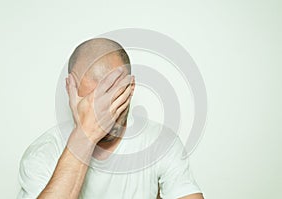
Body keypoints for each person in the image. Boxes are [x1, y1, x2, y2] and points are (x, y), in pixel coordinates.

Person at [17, 38, 204, 199]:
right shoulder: (43, 154)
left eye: (113, 97)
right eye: (92, 102)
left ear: (131, 88)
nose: (104, 114)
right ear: (70, 89)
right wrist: (85, 135)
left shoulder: (160, 143)